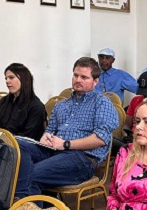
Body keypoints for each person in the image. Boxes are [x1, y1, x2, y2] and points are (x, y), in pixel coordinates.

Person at [14, 57, 118, 198]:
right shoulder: (61, 105)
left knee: (30, 175)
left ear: (95, 81)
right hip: (53, 151)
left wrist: (66, 144)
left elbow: (100, 139)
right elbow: (50, 130)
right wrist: (46, 137)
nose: (78, 80)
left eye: (84, 77)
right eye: (75, 75)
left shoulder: (102, 103)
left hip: (82, 158)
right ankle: (31, 209)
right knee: (16, 146)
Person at [0, 63, 46, 140]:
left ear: (24, 79)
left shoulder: (36, 106)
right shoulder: (4, 101)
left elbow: (28, 137)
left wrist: (2, 139)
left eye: (11, 78)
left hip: (21, 147)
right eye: (6, 78)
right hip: (0, 143)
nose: (7, 81)